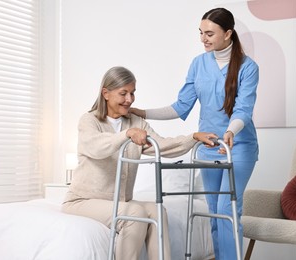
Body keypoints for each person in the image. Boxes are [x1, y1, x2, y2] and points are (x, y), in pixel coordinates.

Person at [130, 7, 259, 260]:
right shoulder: (198, 64)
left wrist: (230, 133)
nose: (203, 38)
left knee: (227, 209)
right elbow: (180, 107)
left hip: (239, 146)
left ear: (228, 33)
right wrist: (143, 112)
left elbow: (243, 109)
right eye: (201, 33)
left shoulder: (248, 67)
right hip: (208, 148)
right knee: (212, 210)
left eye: (210, 33)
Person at [62, 66, 218, 260]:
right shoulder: (89, 120)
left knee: (157, 211)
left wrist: (192, 137)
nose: (129, 99)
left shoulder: (135, 122)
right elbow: (96, 147)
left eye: (132, 93)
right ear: (106, 93)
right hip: (82, 200)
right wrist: (125, 135)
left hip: (119, 201)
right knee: (134, 213)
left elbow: (162, 146)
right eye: (123, 93)